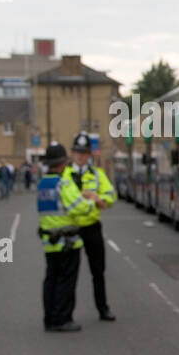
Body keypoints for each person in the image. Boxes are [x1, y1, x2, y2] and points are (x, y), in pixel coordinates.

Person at [38, 142, 98, 332]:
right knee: (66, 282)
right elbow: (77, 207)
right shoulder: (64, 183)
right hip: (67, 241)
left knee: (51, 280)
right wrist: (92, 203)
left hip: (49, 241)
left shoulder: (43, 184)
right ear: (63, 163)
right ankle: (62, 319)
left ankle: (49, 318)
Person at [68, 133, 117, 321]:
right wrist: (84, 196)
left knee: (98, 271)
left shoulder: (98, 174)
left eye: (84, 152)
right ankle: (68, 314)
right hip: (71, 228)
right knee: (70, 273)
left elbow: (110, 195)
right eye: (78, 152)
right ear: (72, 153)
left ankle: (103, 308)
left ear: (90, 155)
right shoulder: (65, 174)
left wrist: (99, 199)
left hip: (91, 228)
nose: (81, 156)